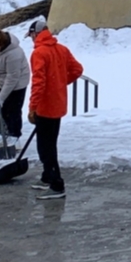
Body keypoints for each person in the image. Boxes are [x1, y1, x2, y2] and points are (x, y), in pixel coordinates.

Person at [27, 17, 83, 199]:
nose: (31, 39)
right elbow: (77, 70)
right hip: (58, 104)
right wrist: (60, 83)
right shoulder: (61, 49)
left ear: (36, 34)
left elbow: (38, 83)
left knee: (46, 147)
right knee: (49, 142)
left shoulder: (39, 53)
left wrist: (32, 107)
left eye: (31, 36)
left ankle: (56, 184)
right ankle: (46, 177)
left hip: (45, 106)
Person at [0, 29, 30, 142]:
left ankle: (15, 137)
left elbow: (13, 78)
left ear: (2, 45)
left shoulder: (14, 54)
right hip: (1, 79)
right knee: (4, 110)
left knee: (13, 110)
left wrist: (1, 97)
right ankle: (7, 134)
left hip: (18, 83)